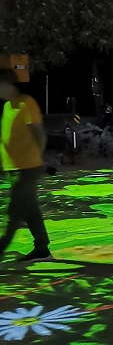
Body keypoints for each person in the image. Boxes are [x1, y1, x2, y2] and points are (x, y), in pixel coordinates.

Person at [0, 68, 51, 263]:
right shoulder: (7, 106)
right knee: (30, 210)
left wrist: (35, 160)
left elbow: (39, 134)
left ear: (7, 84)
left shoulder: (26, 103)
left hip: (27, 169)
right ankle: (42, 248)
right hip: (13, 169)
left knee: (14, 212)